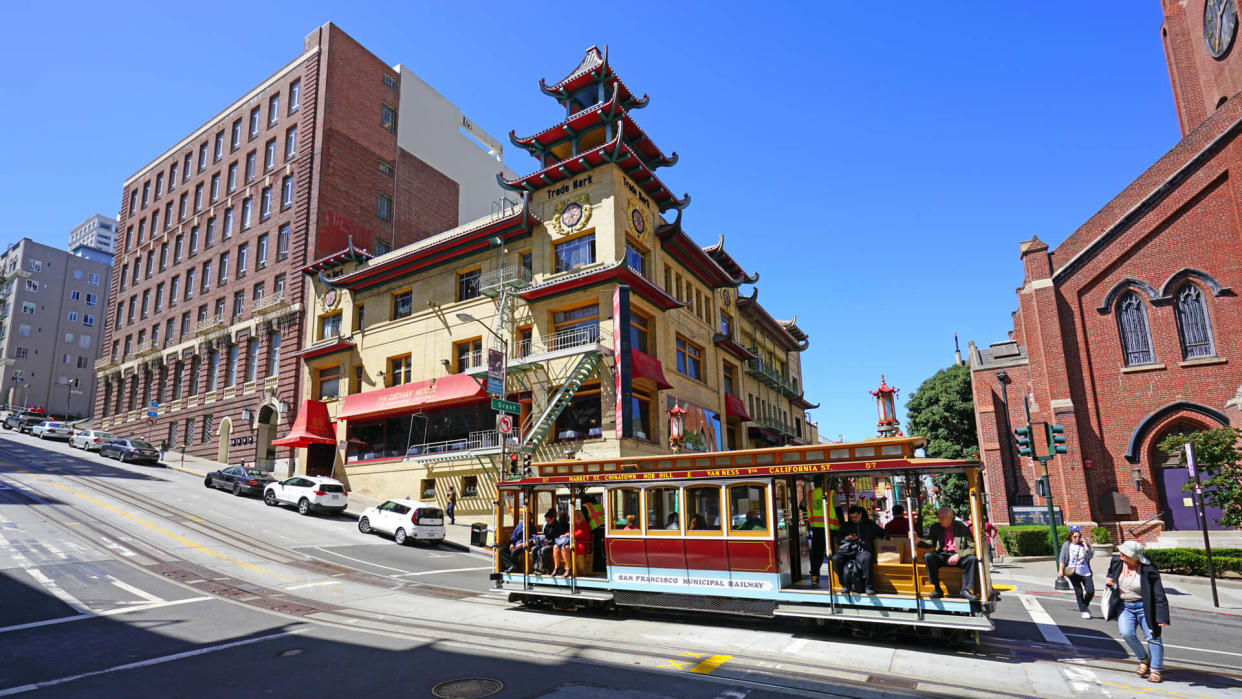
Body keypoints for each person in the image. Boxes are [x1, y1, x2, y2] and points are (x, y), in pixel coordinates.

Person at [1105, 540, 1170, 683]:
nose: (1121, 554)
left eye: (1125, 553)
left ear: (1134, 557)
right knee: (1126, 633)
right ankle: (1143, 659)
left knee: (1153, 637)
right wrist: (1109, 579)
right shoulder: (1116, 561)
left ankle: (1155, 670)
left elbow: (1159, 594)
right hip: (1125, 606)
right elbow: (1110, 573)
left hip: (1144, 607)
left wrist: (1162, 617)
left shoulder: (1148, 569)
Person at [919, 506, 979, 600]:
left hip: (958, 555)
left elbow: (972, 547)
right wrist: (918, 541)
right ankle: (937, 589)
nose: (940, 520)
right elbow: (930, 542)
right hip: (942, 555)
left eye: (943, 518)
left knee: (972, 559)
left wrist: (959, 555)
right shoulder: (935, 527)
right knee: (928, 556)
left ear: (951, 518)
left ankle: (965, 590)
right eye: (939, 517)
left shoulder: (962, 527)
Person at [831, 505, 886, 595]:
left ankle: (868, 586)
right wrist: (848, 538)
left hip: (862, 550)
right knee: (835, 559)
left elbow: (882, 532)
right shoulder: (846, 525)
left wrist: (887, 536)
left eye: (856, 516)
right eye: (852, 517)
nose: (854, 519)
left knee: (867, 557)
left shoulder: (869, 524)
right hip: (848, 550)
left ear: (860, 515)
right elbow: (838, 539)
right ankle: (845, 584)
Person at [802, 476, 839, 585]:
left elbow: (801, 506)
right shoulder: (831, 494)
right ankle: (835, 578)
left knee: (816, 554)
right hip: (831, 529)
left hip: (816, 529)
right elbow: (838, 510)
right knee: (832, 552)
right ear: (825, 483)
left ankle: (814, 577)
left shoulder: (809, 495)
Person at [1059, 525, 1095, 618]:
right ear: (1071, 537)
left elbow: (1090, 556)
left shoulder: (1083, 545)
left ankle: (1084, 606)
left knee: (1090, 591)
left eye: (1079, 536)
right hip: (1073, 571)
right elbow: (1062, 558)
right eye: (1075, 536)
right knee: (1078, 591)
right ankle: (1084, 610)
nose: (1077, 538)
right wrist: (1060, 570)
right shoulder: (1067, 545)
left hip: (1085, 570)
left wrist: (1085, 545)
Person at [553, 510, 591, 577]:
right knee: (555, 547)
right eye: (575, 515)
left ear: (580, 516)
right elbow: (569, 533)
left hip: (581, 544)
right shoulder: (573, 525)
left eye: (578, 515)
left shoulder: (585, 524)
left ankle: (569, 569)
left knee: (565, 547)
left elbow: (580, 533)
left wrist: (568, 534)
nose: (576, 516)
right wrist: (565, 535)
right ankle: (557, 568)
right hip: (573, 543)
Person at [534, 508, 565, 573]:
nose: (547, 522)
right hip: (547, 542)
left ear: (553, 519)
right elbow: (546, 534)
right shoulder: (548, 525)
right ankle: (536, 567)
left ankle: (545, 568)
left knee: (543, 549)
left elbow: (555, 537)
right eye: (546, 520)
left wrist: (548, 542)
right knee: (534, 548)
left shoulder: (556, 525)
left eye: (548, 520)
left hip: (554, 543)